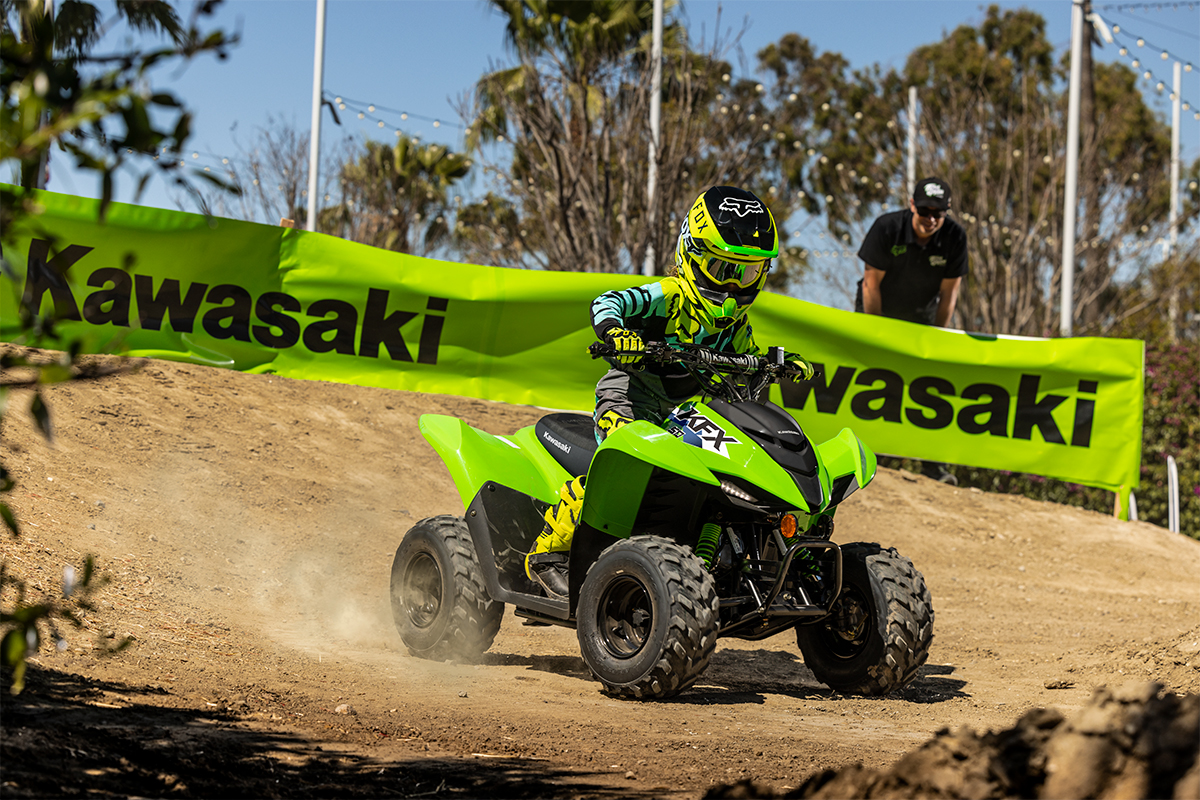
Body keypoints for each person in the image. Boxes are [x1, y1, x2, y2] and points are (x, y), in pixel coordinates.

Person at [524, 186, 816, 599]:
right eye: (721, 267)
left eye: (747, 272)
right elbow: (608, 303)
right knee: (618, 464)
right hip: (629, 397)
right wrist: (617, 334)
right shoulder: (668, 296)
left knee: (723, 475)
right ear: (691, 256)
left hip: (686, 412)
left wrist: (779, 365)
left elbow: (749, 360)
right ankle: (547, 555)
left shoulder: (735, 328)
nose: (733, 285)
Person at [855, 176, 968, 485]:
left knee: (928, 387)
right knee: (874, 380)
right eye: (925, 211)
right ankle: (872, 455)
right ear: (912, 205)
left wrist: (935, 339)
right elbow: (870, 284)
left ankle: (933, 467)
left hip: (922, 315)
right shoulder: (886, 228)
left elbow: (949, 295)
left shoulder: (955, 237)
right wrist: (878, 335)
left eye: (939, 213)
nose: (931, 219)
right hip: (876, 309)